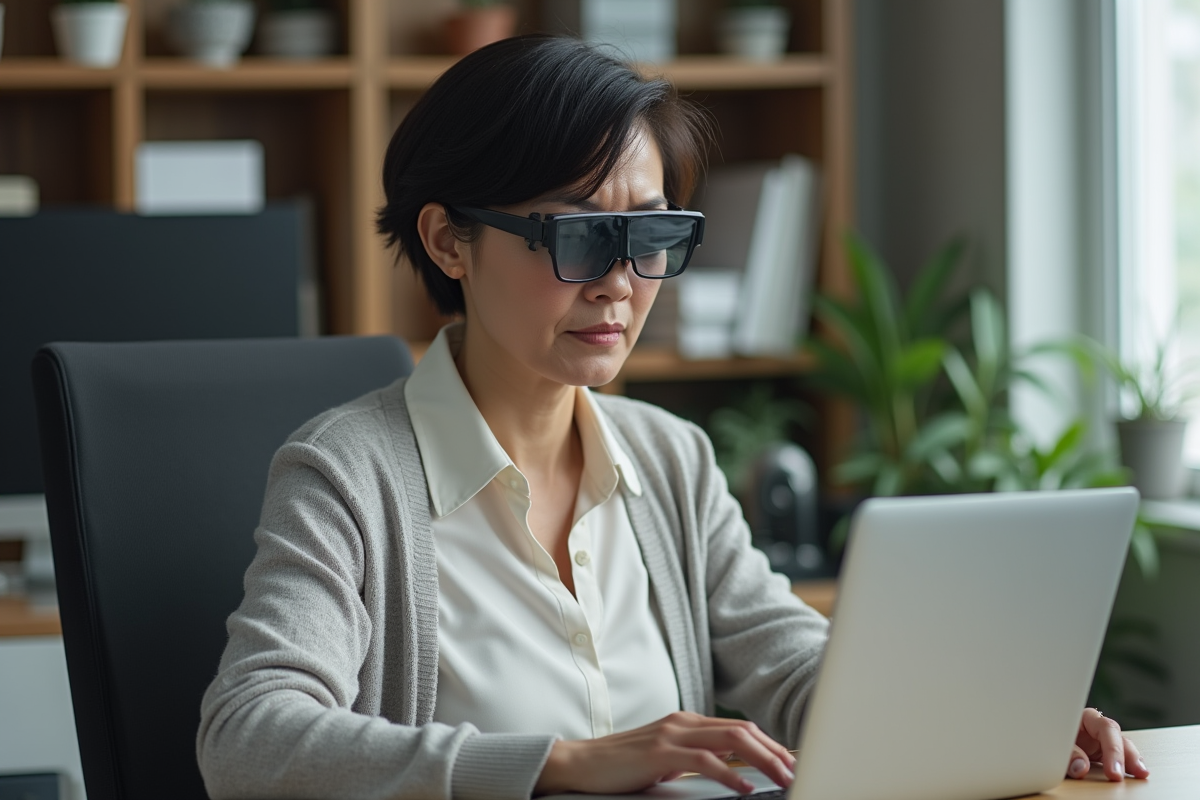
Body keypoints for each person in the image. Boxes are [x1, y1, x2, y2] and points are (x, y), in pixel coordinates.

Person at [196, 34, 1147, 800]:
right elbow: (246, 737)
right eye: (578, 235)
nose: (620, 283)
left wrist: (989, 717)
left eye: (650, 234)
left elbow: (792, 666)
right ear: (450, 240)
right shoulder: (346, 474)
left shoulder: (669, 458)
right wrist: (562, 762)